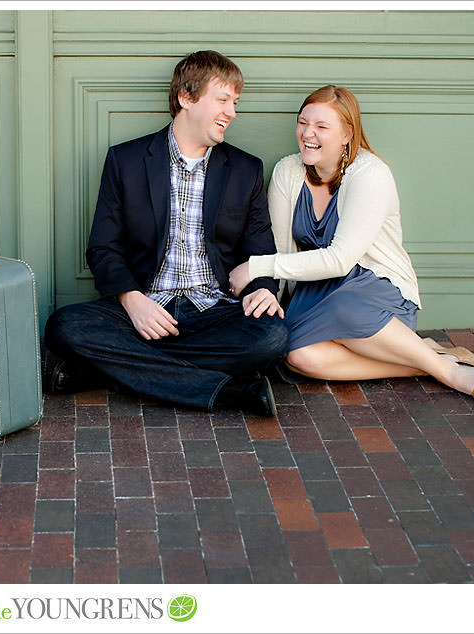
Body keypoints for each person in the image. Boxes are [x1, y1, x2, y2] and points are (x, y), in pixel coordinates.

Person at [43, 50, 289, 416]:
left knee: (273, 336)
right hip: (144, 306)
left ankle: (100, 371)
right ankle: (228, 392)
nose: (232, 112)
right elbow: (103, 248)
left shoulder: (244, 169)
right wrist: (132, 300)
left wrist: (264, 289)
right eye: (222, 100)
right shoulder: (125, 161)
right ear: (185, 98)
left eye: (235, 102)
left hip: (214, 310)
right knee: (65, 325)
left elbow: (259, 246)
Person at [228, 85, 474, 401]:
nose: (307, 133)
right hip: (315, 292)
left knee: (346, 308)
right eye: (303, 122)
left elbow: (341, 260)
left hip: (376, 292)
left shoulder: (370, 174)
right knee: (296, 357)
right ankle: (428, 361)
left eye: (321, 126)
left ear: (347, 134)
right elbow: (282, 250)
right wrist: (271, 296)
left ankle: (452, 373)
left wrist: (255, 267)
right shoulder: (289, 171)